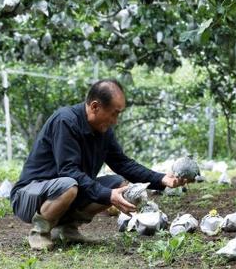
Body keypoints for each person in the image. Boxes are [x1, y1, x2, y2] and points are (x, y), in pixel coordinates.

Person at [10, 79, 187, 250]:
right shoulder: (65, 121)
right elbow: (68, 171)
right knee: (70, 185)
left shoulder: (103, 131)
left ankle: (66, 228)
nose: (115, 120)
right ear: (95, 106)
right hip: (29, 196)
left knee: (118, 184)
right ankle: (39, 232)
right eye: (114, 113)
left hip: (65, 191)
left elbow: (123, 163)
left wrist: (162, 179)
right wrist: (107, 195)